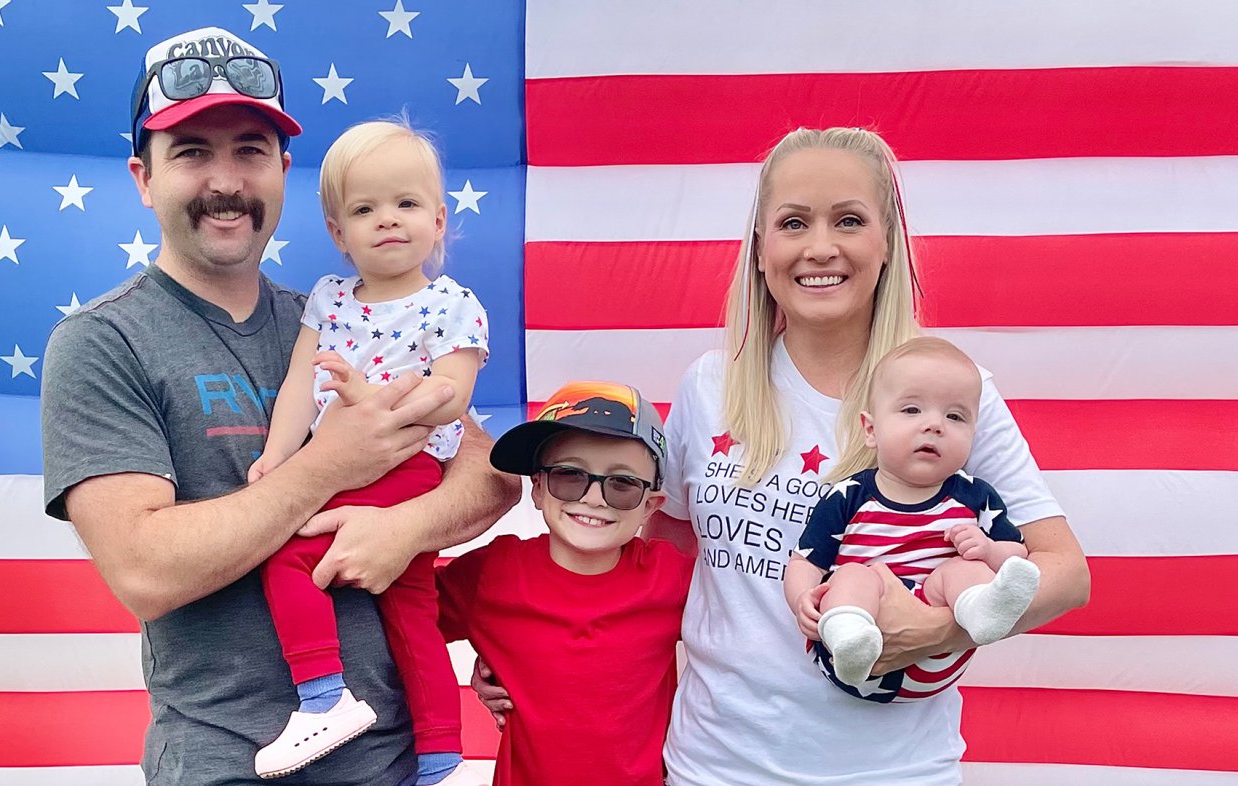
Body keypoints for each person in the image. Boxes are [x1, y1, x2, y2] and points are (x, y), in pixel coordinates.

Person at [472, 127, 1089, 784]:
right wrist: (538, 654)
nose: (820, 247)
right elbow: (655, 572)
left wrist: (939, 631)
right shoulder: (709, 387)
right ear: (761, 249)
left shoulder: (954, 396)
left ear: (886, 245)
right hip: (714, 766)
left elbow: (1067, 575)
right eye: (794, 223)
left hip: (892, 771)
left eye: (848, 220)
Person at [40, 27, 518, 786]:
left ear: (284, 172)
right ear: (143, 177)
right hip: (222, 762)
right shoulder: (102, 341)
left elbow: (490, 476)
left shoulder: (349, 319)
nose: (226, 179)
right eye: (192, 151)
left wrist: (404, 528)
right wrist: (328, 466)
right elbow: (145, 568)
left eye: (250, 151)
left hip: (392, 761)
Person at [250, 120, 489, 785]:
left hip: (408, 466)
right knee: (413, 612)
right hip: (339, 462)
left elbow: (452, 393)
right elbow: (301, 381)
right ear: (337, 232)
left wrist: (373, 402)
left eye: (406, 205)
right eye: (365, 209)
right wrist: (277, 457)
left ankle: (323, 697)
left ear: (439, 220)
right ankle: (441, 761)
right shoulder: (328, 299)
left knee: (290, 559)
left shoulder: (451, 304)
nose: (388, 221)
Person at [437, 381, 692, 785]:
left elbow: (736, 648)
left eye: (622, 484)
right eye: (569, 475)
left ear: (650, 506)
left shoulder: (673, 578)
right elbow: (403, 624)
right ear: (537, 488)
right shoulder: (492, 574)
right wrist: (488, 663)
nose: (593, 498)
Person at [785, 336, 1041, 696]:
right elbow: (804, 561)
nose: (934, 425)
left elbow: (1018, 559)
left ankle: (982, 611)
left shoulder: (975, 496)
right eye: (911, 411)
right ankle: (848, 630)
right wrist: (802, 598)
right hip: (852, 658)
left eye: (955, 417)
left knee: (965, 570)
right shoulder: (849, 496)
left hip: (939, 653)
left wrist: (987, 551)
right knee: (855, 575)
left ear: (973, 435)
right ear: (871, 430)